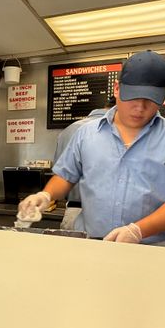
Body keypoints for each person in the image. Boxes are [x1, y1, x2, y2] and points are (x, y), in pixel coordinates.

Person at [19, 50, 165, 245]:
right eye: (133, 97)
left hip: (147, 247)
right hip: (90, 244)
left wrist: (138, 230)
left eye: (150, 99)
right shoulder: (86, 133)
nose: (140, 107)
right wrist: (45, 195)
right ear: (117, 89)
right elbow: (65, 176)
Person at [53, 92, 114, 230]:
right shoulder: (116, 129)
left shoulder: (68, 130)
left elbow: (59, 175)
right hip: (107, 215)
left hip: (73, 212)